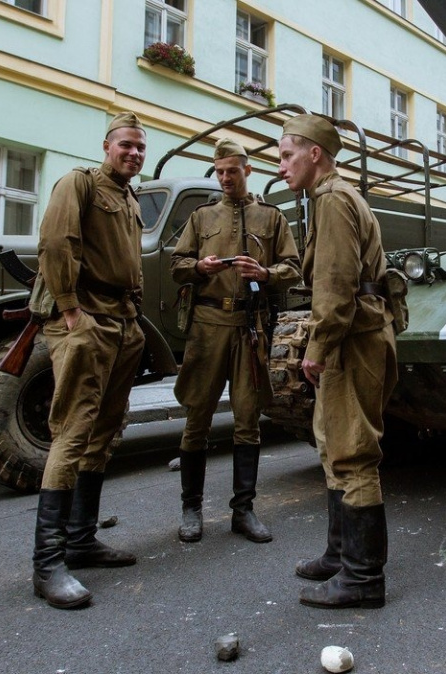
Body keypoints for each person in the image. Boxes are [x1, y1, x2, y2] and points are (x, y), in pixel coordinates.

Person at [276, 114, 398, 609]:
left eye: (286, 155)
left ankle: (364, 578)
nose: (280, 164)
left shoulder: (330, 199)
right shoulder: (333, 197)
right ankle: (340, 553)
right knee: (331, 443)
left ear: (315, 155)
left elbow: (335, 285)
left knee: (352, 453)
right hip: (357, 333)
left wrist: (317, 348)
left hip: (353, 338)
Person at [31, 111, 148, 610]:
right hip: (85, 317)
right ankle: (47, 564)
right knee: (74, 431)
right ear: (107, 145)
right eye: (126, 145)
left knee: (105, 428)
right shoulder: (78, 183)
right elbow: (57, 242)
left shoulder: (128, 197)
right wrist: (69, 309)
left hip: (120, 320)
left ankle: (80, 541)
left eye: (140, 147)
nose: (134, 153)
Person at [170, 137, 301, 544]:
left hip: (250, 329)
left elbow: (293, 268)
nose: (226, 178)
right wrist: (200, 266)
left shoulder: (271, 217)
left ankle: (243, 511)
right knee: (197, 420)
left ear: (248, 171)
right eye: (220, 171)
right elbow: (177, 265)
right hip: (207, 326)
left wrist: (265, 274)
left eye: (232, 170)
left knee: (248, 422)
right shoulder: (202, 217)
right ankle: (191, 510)